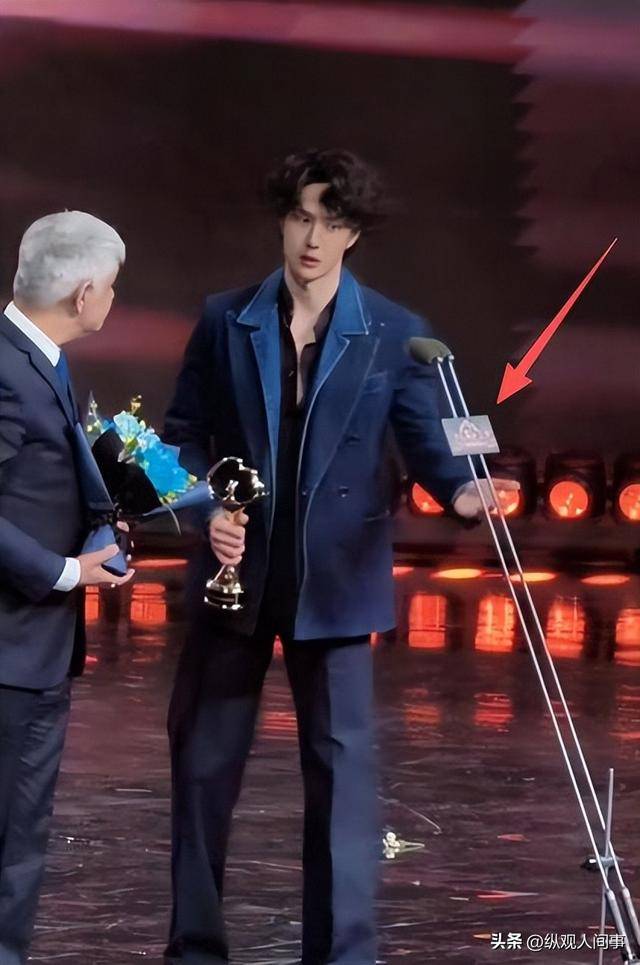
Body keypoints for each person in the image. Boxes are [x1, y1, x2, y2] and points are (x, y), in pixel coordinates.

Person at [163, 148, 517, 965]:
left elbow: (431, 439)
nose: (313, 239)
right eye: (300, 218)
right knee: (202, 775)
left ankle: (344, 955)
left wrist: (466, 490)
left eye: (332, 222)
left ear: (355, 232)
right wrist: (207, 506)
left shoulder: (394, 329)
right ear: (282, 220)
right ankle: (194, 949)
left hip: (337, 584)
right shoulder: (225, 317)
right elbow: (179, 439)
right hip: (234, 580)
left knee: (343, 788)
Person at [0, 211, 135, 964]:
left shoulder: (37, 358)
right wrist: (63, 572)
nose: (112, 298)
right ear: (84, 293)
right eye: (111, 287)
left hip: (32, 651)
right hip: (11, 649)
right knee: (10, 844)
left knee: (19, 841)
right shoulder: (8, 367)